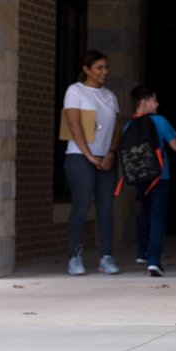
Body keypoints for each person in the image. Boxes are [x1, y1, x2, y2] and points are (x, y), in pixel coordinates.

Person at [62, 51, 123, 276]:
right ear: (87, 69)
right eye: (99, 68)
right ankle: (75, 257)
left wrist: (111, 152)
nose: (104, 72)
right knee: (82, 206)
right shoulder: (75, 91)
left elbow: (111, 127)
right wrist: (89, 155)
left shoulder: (109, 96)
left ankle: (107, 257)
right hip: (80, 157)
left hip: (106, 158)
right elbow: (75, 124)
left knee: (106, 208)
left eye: (106, 67)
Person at [124, 85, 176, 276]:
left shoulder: (128, 125)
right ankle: (154, 260)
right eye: (155, 100)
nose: (157, 103)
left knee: (145, 212)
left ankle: (142, 252)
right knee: (157, 216)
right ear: (145, 101)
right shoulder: (160, 121)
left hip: (140, 178)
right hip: (160, 176)